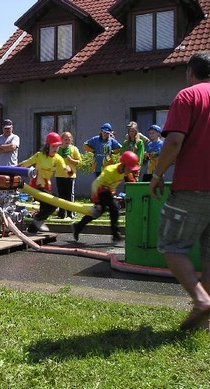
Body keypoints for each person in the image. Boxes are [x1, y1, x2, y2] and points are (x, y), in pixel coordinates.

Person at [149, 51, 210, 331]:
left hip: (193, 187)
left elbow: (173, 141)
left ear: (190, 71)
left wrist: (157, 174)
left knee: (171, 245)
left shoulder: (188, 96)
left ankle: (200, 300)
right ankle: (204, 319)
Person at [73, 151, 139, 243]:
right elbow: (95, 185)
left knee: (97, 213)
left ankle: (78, 226)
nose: (131, 170)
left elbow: (132, 181)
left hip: (108, 192)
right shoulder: (109, 171)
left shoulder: (125, 171)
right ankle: (115, 234)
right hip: (100, 191)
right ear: (123, 165)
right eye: (130, 168)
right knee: (114, 209)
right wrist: (97, 202)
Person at [18, 132, 72, 232]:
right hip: (36, 186)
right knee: (53, 205)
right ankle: (38, 219)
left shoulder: (58, 158)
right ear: (48, 146)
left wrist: (69, 170)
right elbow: (27, 163)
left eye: (57, 146)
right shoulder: (40, 156)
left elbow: (65, 168)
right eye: (53, 146)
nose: (56, 149)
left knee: (45, 209)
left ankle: (32, 229)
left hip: (47, 187)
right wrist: (14, 169)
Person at [55, 131, 81, 219]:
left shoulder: (74, 149)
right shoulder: (58, 149)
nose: (67, 141)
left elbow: (79, 162)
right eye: (65, 139)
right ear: (61, 140)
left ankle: (70, 214)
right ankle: (61, 214)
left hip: (70, 175)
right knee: (61, 195)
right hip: (59, 175)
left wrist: (71, 160)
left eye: (69, 139)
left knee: (69, 195)